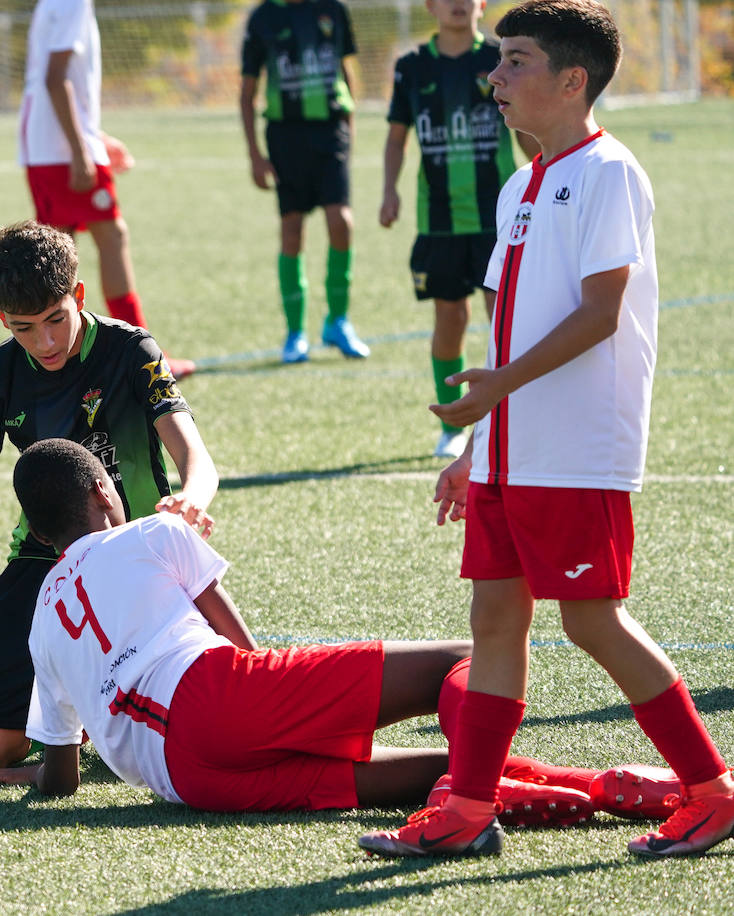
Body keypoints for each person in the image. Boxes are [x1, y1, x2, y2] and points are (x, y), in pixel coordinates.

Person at [361, 0, 734, 859]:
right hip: (513, 445)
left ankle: (711, 790)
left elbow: (601, 313)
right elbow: (506, 333)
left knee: (590, 620)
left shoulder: (609, 173)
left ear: (573, 81)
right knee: (495, 617)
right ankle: (467, 810)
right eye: (497, 60)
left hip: (574, 445)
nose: (494, 77)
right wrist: (473, 443)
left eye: (515, 61)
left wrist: (499, 391)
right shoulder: (520, 184)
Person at [0, 439, 661, 823]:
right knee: (462, 657)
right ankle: (518, 792)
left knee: (420, 777)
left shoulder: (42, 622)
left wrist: (19, 773)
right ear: (101, 494)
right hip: (216, 697)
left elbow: (61, 778)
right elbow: (243, 650)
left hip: (189, 784)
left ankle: (591, 787)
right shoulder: (152, 532)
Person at [0, 222, 218, 772]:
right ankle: (85, 721)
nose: (45, 342)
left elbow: (197, 457)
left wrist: (191, 497)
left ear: (79, 296)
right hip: (46, 558)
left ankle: (88, 720)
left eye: (56, 319)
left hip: (134, 554)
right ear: (2, 318)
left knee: (206, 718)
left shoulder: (130, 349)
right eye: (25, 328)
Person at [379, 0, 541, 459]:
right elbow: (396, 138)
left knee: (503, 320)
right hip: (440, 219)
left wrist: (548, 178)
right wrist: (389, 190)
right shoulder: (411, 67)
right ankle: (453, 420)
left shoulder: (500, 58)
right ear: (430, 6)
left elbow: (524, 129)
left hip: (498, 216)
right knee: (450, 318)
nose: (456, 3)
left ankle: (510, 415)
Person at [17, 0, 194, 378]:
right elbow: (54, 78)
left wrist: (94, 138)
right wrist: (81, 150)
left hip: (46, 145)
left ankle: (51, 357)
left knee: (57, 252)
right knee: (107, 237)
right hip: (59, 149)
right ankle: (143, 357)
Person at [240, 0, 369, 364]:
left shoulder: (333, 10)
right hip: (285, 136)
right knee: (292, 230)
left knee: (341, 222)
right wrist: (255, 154)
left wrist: (351, 130)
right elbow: (247, 93)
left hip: (331, 131)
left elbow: (346, 72)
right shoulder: (264, 17)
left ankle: (338, 321)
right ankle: (295, 332)